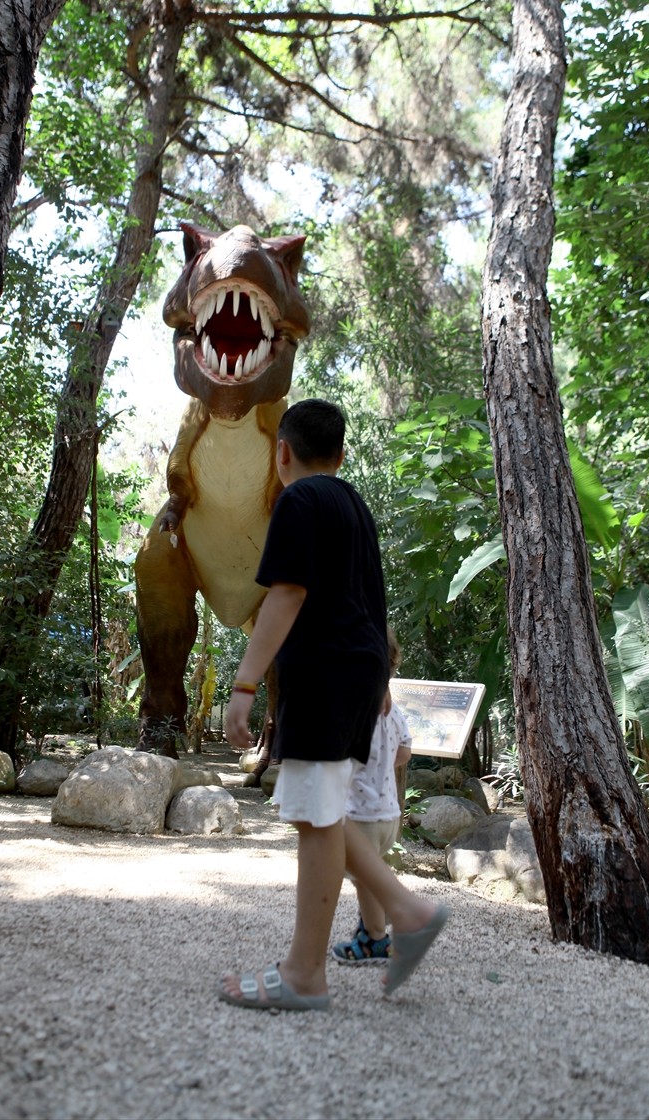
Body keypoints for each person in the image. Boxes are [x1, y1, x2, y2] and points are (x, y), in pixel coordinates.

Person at [218, 399, 448, 1011]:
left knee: (316, 816)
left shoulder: (299, 500)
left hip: (325, 669)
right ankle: (404, 909)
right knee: (314, 810)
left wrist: (244, 687)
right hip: (358, 668)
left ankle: (304, 974)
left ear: (282, 452)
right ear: (341, 456)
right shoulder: (353, 505)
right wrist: (378, 687)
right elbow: (370, 599)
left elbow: (287, 593)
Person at [332, 628, 413, 964]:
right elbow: (405, 751)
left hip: (360, 813)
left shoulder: (355, 707)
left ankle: (378, 937)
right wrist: (383, 760)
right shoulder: (394, 712)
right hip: (388, 813)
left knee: (364, 879)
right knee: (368, 873)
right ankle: (372, 928)